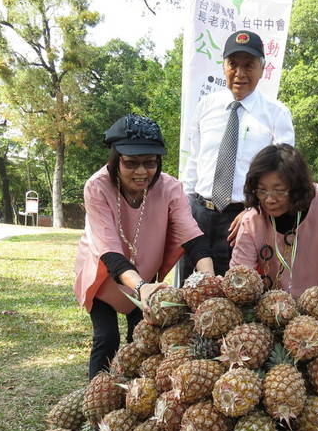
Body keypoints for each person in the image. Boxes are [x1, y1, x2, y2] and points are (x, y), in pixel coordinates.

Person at [74, 114, 214, 379]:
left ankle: (132, 400)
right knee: (106, 337)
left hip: (145, 272)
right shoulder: (96, 187)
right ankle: (96, 396)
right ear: (115, 160)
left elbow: (193, 238)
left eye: (150, 163)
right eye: (131, 163)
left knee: (143, 337)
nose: (141, 172)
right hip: (104, 271)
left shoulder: (170, 188)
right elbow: (109, 249)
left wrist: (209, 280)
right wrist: (141, 287)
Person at [180, 29, 295, 280]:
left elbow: (286, 175)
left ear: (262, 69)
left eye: (249, 65)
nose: (240, 73)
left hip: (245, 221)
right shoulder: (206, 106)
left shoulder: (276, 114)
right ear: (224, 66)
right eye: (233, 64)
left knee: (237, 297)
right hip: (198, 216)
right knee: (188, 293)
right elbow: (195, 161)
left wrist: (255, 210)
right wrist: (184, 208)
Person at [230, 144, 318, 296]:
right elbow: (239, 277)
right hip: (269, 309)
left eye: (279, 191)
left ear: (297, 187)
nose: (269, 199)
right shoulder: (252, 219)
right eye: (262, 190)